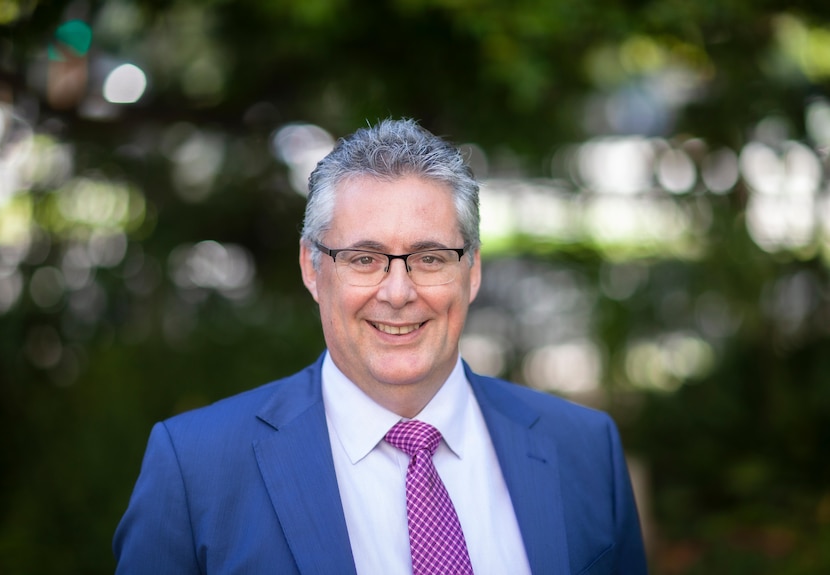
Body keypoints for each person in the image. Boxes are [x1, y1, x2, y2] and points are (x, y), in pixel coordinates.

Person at [113, 119, 648, 574]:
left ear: (473, 271)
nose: (398, 292)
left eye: (431, 258)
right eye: (364, 259)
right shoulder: (196, 471)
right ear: (313, 269)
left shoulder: (585, 448)